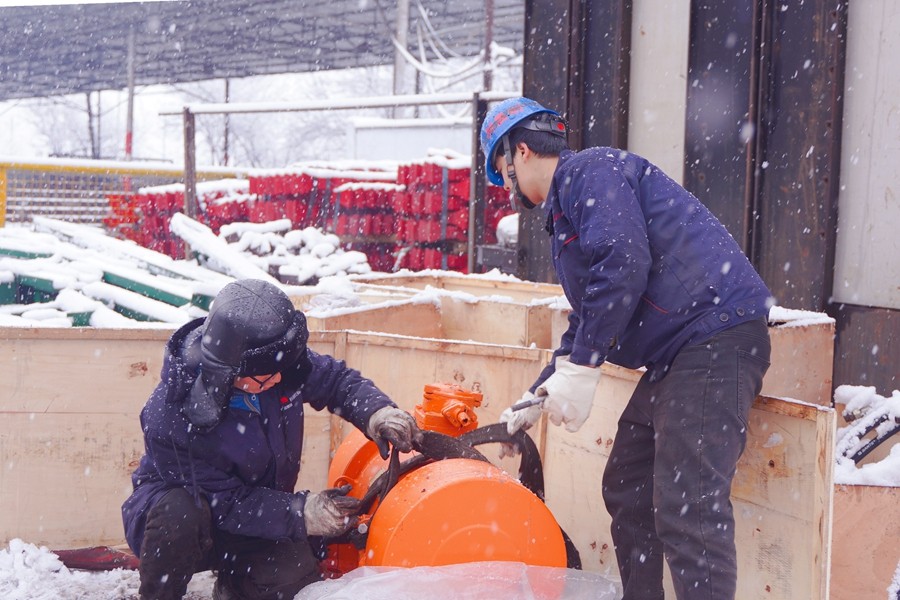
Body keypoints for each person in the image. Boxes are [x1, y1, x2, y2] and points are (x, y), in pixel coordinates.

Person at [482, 97, 772, 600]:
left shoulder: (589, 172)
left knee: (688, 505)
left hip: (713, 337)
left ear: (520, 152)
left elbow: (623, 263)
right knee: (628, 483)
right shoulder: (571, 206)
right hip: (679, 352)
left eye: (503, 173)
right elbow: (592, 312)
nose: (508, 189)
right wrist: (539, 394)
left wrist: (585, 366)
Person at [122, 279, 421, 600]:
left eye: (281, 370)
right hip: (183, 519)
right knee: (180, 514)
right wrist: (301, 512)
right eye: (266, 377)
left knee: (294, 579)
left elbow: (335, 381)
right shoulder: (170, 417)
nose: (279, 379)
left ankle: (233, 585)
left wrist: (376, 412)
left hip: (258, 516)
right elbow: (225, 503)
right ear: (228, 372)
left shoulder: (272, 363)